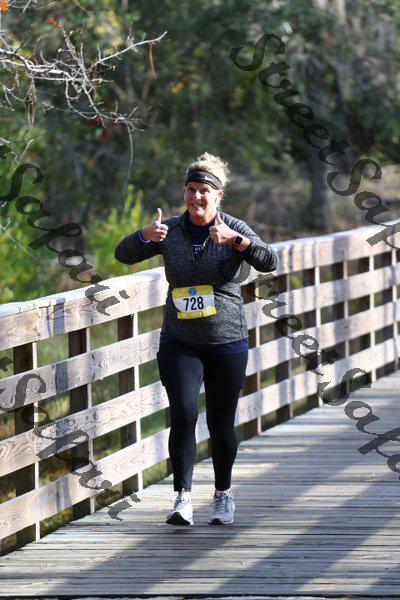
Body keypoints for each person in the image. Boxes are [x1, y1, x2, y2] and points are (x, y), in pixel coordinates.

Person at [114, 152, 278, 526]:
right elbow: (123, 255)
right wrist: (143, 236)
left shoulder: (233, 227)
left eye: (204, 191)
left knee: (221, 422)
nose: (196, 197)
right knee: (184, 413)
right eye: (191, 190)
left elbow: (269, 260)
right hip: (180, 340)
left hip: (226, 340)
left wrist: (236, 241)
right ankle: (182, 498)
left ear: (218, 195)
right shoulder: (170, 230)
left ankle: (222, 495)